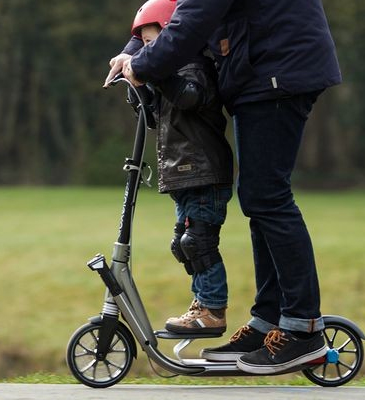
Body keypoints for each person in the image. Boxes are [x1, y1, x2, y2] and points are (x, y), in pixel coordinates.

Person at [105, 0, 341, 374]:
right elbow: (170, 9)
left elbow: (194, 16)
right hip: (262, 71)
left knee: (269, 197)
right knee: (260, 197)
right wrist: (132, 52)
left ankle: (302, 328)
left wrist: (145, 65)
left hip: (277, 69)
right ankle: (269, 321)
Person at [127, 0, 235, 335]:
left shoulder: (194, 67)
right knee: (183, 245)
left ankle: (212, 310)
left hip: (204, 172)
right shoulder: (169, 74)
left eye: (152, 44)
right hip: (185, 174)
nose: (147, 52)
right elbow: (151, 114)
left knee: (198, 243)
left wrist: (152, 72)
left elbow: (189, 97)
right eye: (143, 45)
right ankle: (201, 303)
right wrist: (137, 85)